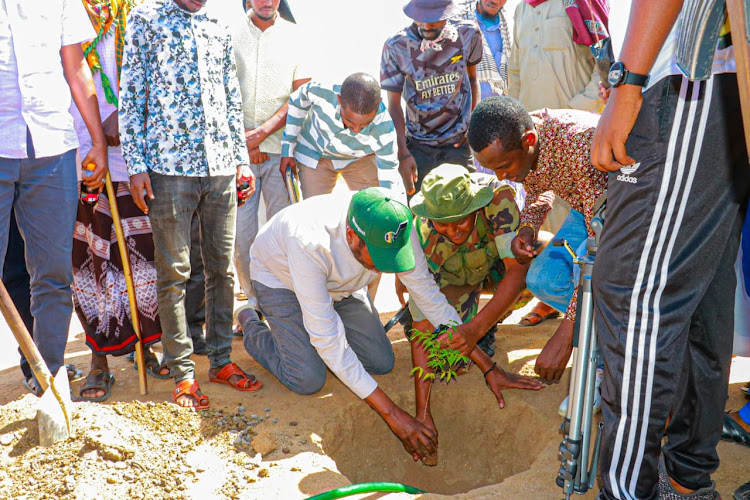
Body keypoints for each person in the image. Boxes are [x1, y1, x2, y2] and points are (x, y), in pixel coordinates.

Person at [589, 0, 749, 497]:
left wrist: (628, 82)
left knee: (635, 295)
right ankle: (687, 476)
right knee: (700, 291)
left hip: (685, 84)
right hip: (712, 85)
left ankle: (628, 488)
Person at [120, 0, 261, 410]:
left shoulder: (217, 22)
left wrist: (241, 160)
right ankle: (182, 373)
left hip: (220, 167)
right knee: (175, 272)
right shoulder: (146, 18)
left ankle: (220, 361)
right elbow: (132, 97)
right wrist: (136, 165)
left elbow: (230, 96)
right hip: (167, 167)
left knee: (221, 267)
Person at [466, 96, 607, 411]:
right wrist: (527, 227)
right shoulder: (521, 136)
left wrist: (566, 334)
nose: (501, 177)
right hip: (588, 210)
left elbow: (604, 253)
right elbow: (540, 186)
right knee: (542, 279)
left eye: (503, 167)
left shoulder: (579, 145)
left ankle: (602, 364)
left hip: (619, 218)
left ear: (529, 141)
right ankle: (597, 337)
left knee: (592, 272)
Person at [0, 0, 109, 393]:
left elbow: (76, 66)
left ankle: (48, 379)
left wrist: (97, 140)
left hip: (52, 150)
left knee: (53, 273)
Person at [404, 164, 544, 442]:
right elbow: (422, 326)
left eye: (461, 222)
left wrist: (475, 330)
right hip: (456, 283)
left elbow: (516, 273)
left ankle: (488, 323)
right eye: (443, 224)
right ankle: (479, 323)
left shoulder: (496, 200)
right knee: (449, 363)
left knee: (540, 267)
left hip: (496, 269)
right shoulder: (421, 235)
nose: (453, 231)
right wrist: (423, 412)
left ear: (475, 207)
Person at [231, 0, 310, 300]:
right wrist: (244, 145)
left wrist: (262, 134)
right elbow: (219, 94)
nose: (267, 1)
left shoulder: (296, 37)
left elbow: (300, 96)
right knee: (242, 239)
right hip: (238, 159)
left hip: (282, 154)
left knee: (281, 234)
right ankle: (252, 303)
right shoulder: (228, 35)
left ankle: (282, 305)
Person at [381, 0, 483, 195]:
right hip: (418, 147)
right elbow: (393, 105)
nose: (427, 26)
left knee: (465, 208)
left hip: (457, 144)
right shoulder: (397, 46)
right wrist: (403, 153)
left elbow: (473, 79)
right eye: (421, 18)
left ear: (447, 14)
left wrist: (472, 124)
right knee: (422, 214)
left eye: (434, 19)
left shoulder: (468, 34)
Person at [280, 73, 403, 200]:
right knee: (315, 211)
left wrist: (387, 201)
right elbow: (297, 101)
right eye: (350, 122)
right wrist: (287, 147)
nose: (355, 131)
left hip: (359, 158)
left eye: (364, 125)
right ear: (339, 100)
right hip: (315, 154)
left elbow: (388, 169)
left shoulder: (384, 125)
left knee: (371, 206)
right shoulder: (321, 91)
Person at [459, 0, 511, 99]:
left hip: (506, 106)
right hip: (469, 107)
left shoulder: (511, 23)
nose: (495, 1)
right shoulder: (459, 22)